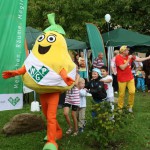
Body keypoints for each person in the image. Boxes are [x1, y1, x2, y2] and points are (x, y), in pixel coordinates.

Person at [115, 45, 150, 112]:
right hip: (122, 79)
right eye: (127, 50)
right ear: (123, 51)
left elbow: (138, 59)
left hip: (130, 77)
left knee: (132, 92)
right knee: (121, 94)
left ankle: (130, 106)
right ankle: (120, 107)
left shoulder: (130, 56)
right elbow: (122, 67)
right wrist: (128, 60)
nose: (128, 51)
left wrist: (148, 57)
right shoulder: (118, 58)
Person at [63, 68, 80, 136]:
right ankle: (70, 126)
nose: (74, 69)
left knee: (73, 115)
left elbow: (75, 84)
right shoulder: (67, 75)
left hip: (75, 99)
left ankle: (76, 130)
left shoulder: (77, 75)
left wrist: (68, 82)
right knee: (65, 113)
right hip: (68, 98)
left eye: (75, 68)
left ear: (77, 69)